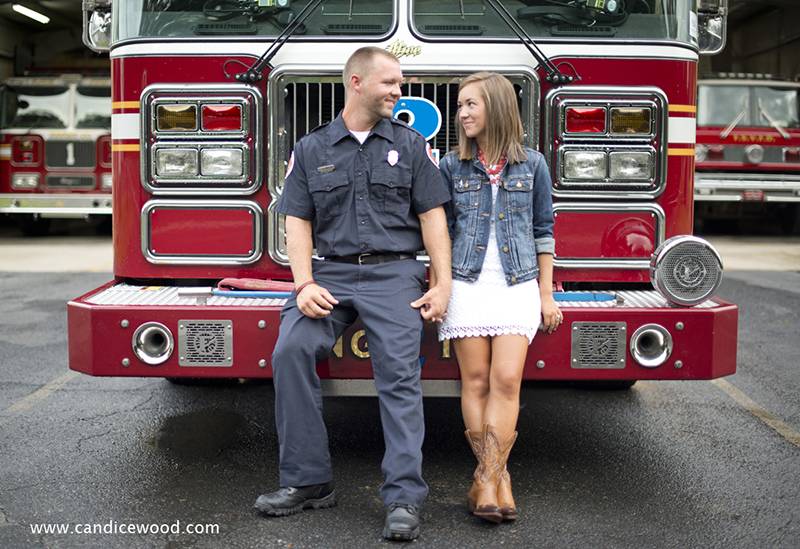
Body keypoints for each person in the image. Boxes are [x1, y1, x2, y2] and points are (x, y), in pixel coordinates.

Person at [254, 47, 452, 542]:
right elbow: (297, 221)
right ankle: (308, 481)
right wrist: (303, 284)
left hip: (394, 275)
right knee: (291, 350)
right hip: (330, 275)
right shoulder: (313, 147)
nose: (398, 91)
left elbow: (433, 218)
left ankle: (404, 496)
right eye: (390, 82)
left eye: (399, 82)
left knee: (400, 373)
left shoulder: (411, 146)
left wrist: (442, 283)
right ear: (357, 83)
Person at [437, 72, 561, 523]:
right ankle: (494, 482)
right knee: (475, 381)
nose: (462, 113)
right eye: (460, 105)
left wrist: (546, 295)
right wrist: (441, 283)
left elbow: (543, 230)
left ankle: (488, 477)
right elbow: (442, 233)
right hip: (468, 283)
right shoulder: (451, 166)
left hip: (517, 283)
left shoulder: (534, 164)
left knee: (507, 379)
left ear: (498, 107)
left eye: (471, 104)